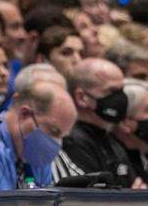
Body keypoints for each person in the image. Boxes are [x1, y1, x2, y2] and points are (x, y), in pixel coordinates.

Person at [57, 57, 138, 187]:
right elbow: (95, 198)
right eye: (112, 91)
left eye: (122, 91)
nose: (121, 98)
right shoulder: (71, 141)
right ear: (82, 97)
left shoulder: (109, 137)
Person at [0, 76, 75, 189]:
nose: (57, 143)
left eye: (62, 136)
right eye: (53, 131)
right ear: (24, 114)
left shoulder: (36, 155)